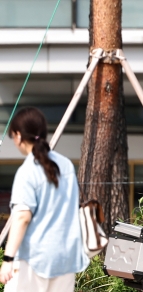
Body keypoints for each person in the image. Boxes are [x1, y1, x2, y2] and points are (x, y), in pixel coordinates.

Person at [0, 107, 89, 292]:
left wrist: (8, 259)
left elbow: (22, 218)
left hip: (34, 259)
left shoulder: (27, 172)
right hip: (66, 259)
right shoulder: (65, 165)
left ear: (18, 136)